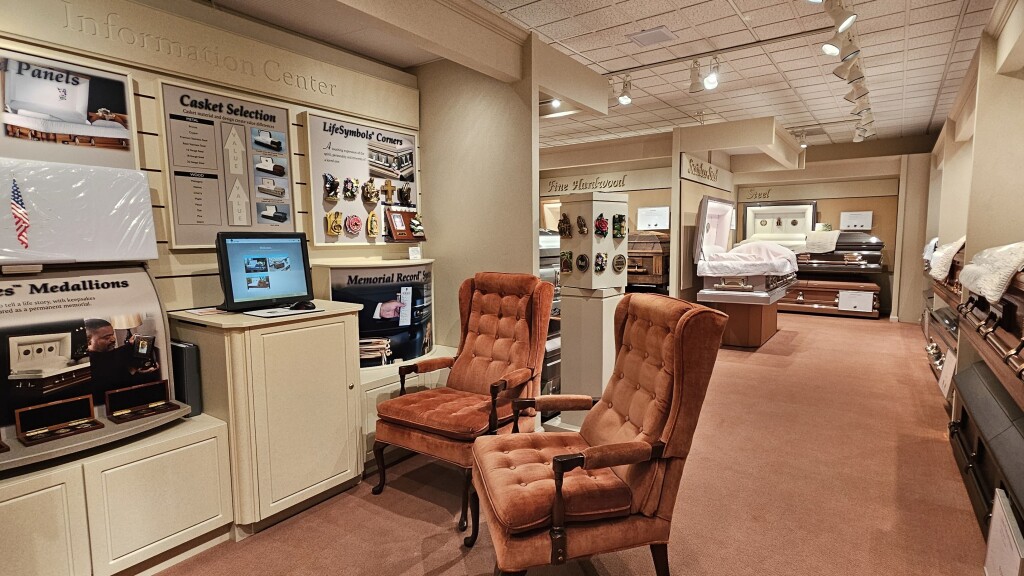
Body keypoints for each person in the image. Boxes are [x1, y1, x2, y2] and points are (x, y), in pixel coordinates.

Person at [84, 318, 160, 401]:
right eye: (106, 337)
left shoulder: (107, 352)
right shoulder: (87, 365)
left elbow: (115, 353)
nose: (113, 339)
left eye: (112, 334)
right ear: (88, 341)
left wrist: (129, 344)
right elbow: (112, 384)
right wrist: (134, 371)